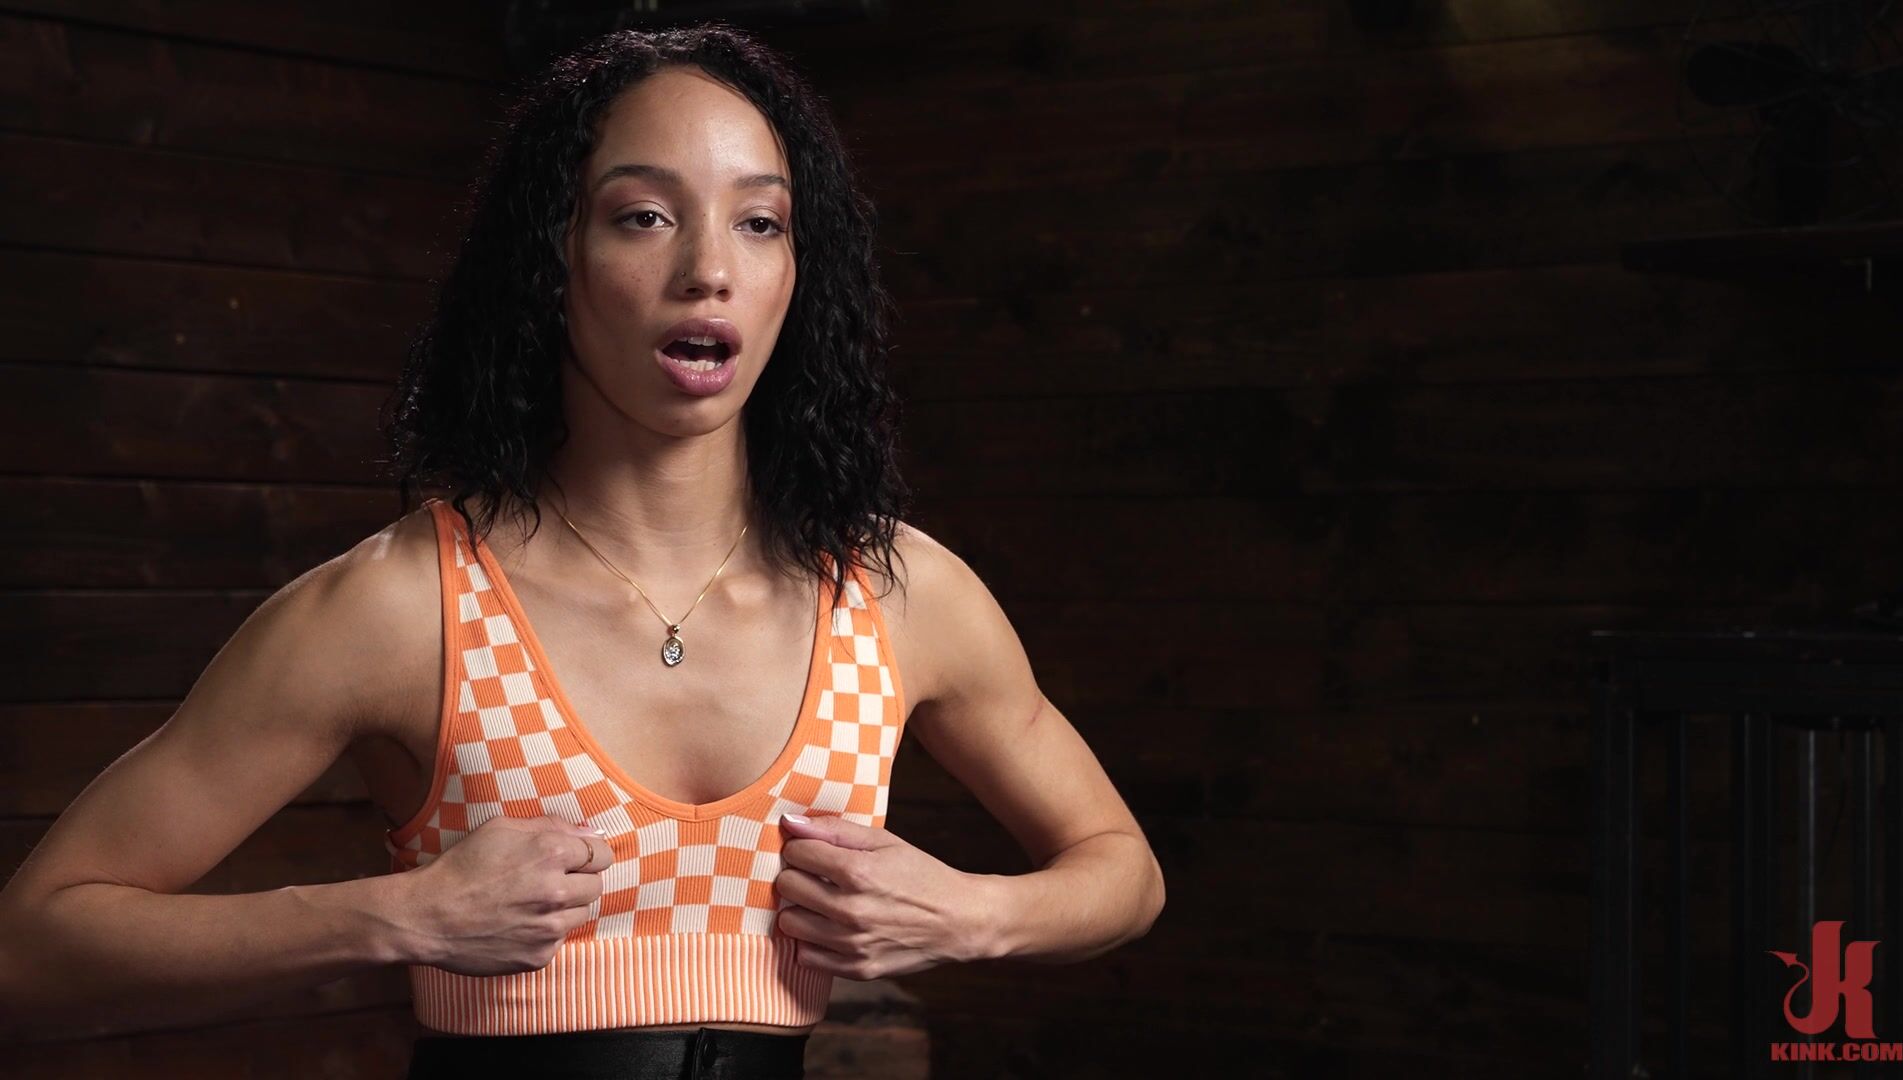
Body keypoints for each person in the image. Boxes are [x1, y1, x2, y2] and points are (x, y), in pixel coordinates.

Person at [0, 22, 1165, 1079]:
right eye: (643, 216)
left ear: (797, 272)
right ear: (550, 257)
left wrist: (966, 915)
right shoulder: (403, 607)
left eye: (759, 221)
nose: (708, 267)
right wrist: (393, 918)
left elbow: (1122, 869)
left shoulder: (898, 594)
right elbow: (32, 945)